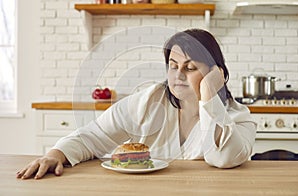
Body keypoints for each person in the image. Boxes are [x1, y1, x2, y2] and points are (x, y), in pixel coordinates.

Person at [16, 29, 256, 180]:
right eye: (173, 66)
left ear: (217, 74)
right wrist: (54, 155)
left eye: (190, 67)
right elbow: (91, 136)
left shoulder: (238, 118)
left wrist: (208, 95)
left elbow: (224, 158)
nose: (178, 74)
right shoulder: (148, 101)